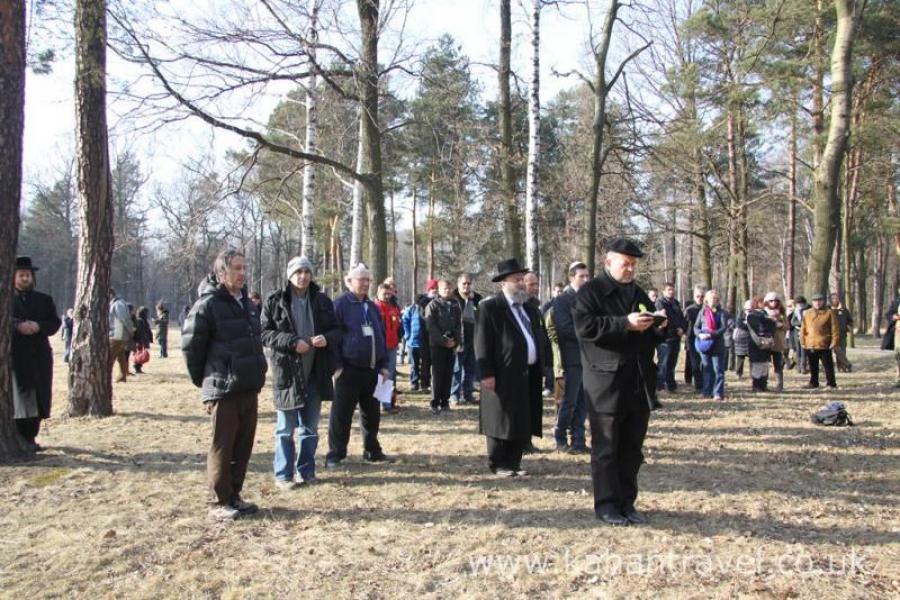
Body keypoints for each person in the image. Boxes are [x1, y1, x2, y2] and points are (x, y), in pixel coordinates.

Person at [572, 239, 666, 526]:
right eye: (625, 263)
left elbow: (649, 334)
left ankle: (628, 502)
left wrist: (660, 326)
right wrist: (624, 323)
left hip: (637, 381)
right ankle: (607, 505)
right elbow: (586, 328)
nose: (630, 269)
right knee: (607, 448)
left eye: (634, 264)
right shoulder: (591, 293)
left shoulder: (638, 293)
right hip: (605, 383)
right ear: (608, 262)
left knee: (632, 448)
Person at [182, 249, 268, 521]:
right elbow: (191, 346)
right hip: (224, 389)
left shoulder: (247, 304)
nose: (242, 274)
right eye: (237, 269)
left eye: (244, 268)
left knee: (243, 446)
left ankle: (235, 496)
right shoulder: (208, 305)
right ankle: (218, 501)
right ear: (221, 273)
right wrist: (207, 382)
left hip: (248, 387)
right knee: (223, 446)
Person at [261, 256, 340, 489]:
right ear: (289, 275)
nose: (303, 276)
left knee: (310, 428)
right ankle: (283, 475)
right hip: (287, 374)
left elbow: (337, 330)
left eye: (307, 271)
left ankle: (306, 470)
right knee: (285, 429)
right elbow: (264, 333)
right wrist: (292, 342)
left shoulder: (323, 301)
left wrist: (326, 338)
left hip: (316, 373)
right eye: (298, 272)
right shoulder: (276, 301)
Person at [475, 259, 547, 477]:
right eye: (517, 280)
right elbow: (481, 342)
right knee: (500, 417)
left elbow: (538, 338)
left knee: (521, 417)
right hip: (501, 373)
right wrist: (486, 372)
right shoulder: (490, 308)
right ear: (503, 283)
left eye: (523, 280)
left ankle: (514, 462)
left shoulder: (531, 309)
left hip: (527, 372)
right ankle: (499, 462)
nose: (522, 284)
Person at [325, 263, 392, 468]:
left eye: (367, 280)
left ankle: (372, 450)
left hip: (372, 370)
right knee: (341, 414)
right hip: (349, 370)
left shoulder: (372, 306)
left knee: (371, 413)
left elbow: (380, 336)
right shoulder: (340, 305)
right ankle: (336, 454)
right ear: (349, 281)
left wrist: (383, 364)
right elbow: (333, 338)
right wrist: (337, 366)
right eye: (360, 279)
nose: (365, 283)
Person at [11, 257, 61, 452]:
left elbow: (54, 323)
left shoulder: (44, 299)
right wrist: (17, 326)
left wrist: (39, 326)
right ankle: (18, 436)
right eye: (21, 275)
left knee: (39, 395)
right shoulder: (6, 298)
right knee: (19, 397)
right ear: (14, 277)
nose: (25, 278)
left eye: (28, 275)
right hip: (15, 355)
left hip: (39, 354)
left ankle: (31, 437)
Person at [545, 261, 590, 454]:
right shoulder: (562, 300)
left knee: (583, 402)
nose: (586, 280)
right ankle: (560, 437)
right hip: (572, 357)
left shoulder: (590, 298)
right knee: (570, 400)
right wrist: (591, 333)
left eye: (588, 276)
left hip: (589, 358)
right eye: (582, 276)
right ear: (572, 277)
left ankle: (578, 440)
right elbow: (564, 329)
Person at [524, 270, 552, 453]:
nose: (535, 288)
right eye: (531, 284)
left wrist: (547, 358)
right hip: (522, 366)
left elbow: (542, 334)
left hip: (536, 364)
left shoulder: (535, 308)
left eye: (536, 284)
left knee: (533, 404)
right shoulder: (519, 308)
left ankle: (528, 440)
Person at [424, 279, 462, 414]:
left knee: (448, 373)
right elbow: (431, 326)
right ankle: (435, 402)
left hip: (451, 345)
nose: (447, 291)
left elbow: (458, 324)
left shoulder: (455, 305)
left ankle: (445, 402)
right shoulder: (432, 305)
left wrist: (456, 341)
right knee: (438, 374)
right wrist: (443, 340)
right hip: (437, 345)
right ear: (439, 290)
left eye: (449, 288)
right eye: (444, 289)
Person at [451, 273, 482, 405]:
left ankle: (468, 393)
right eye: (464, 283)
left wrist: (473, 300)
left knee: (471, 369)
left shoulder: (477, 298)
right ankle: (454, 395)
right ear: (458, 284)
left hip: (473, 338)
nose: (466, 286)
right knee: (457, 368)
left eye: (469, 283)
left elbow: (482, 315)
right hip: (459, 338)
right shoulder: (453, 298)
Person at [693, 289, 729, 401]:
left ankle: (718, 393)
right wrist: (700, 335)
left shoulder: (721, 313)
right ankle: (706, 392)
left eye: (716, 298)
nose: (714, 300)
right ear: (707, 300)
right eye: (711, 298)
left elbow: (723, 328)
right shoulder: (702, 312)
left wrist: (711, 334)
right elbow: (696, 327)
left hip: (717, 345)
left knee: (718, 370)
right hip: (704, 344)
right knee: (707, 369)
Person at [800, 292, 839, 389]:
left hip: (824, 343)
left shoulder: (829, 313)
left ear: (823, 302)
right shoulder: (807, 313)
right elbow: (803, 328)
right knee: (813, 365)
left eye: (819, 301)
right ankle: (813, 382)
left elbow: (835, 329)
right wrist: (803, 341)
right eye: (815, 301)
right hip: (810, 343)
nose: (817, 303)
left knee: (828, 365)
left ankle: (831, 383)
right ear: (812, 302)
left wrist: (834, 342)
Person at [374, 282, 402, 413]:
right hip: (378, 347)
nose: (386, 296)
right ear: (378, 293)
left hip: (392, 346)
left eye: (389, 294)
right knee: (377, 375)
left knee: (388, 375)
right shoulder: (374, 307)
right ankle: (375, 404)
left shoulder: (393, 308)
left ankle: (386, 404)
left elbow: (398, 326)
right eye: (384, 294)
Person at [655, 282, 686, 392]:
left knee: (672, 363)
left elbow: (682, 318)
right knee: (664, 363)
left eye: (672, 289)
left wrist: (682, 328)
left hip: (676, 338)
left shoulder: (676, 303)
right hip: (665, 338)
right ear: (664, 291)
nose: (671, 291)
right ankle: (660, 386)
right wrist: (675, 329)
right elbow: (663, 319)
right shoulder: (660, 303)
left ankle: (671, 385)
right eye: (669, 290)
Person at [745, 296, 775, 392]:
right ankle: (756, 385)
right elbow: (760, 328)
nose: (764, 304)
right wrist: (769, 321)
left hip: (766, 343)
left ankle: (763, 385)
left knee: (765, 365)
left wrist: (770, 321)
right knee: (757, 365)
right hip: (756, 344)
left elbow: (772, 327)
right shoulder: (752, 315)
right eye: (762, 302)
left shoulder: (765, 314)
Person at [414, 279, 438, 393]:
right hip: (424, 335)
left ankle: (435, 383)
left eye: (436, 289)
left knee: (436, 361)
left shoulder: (440, 301)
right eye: (432, 288)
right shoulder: (423, 301)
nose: (434, 290)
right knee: (425, 361)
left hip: (437, 335)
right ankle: (424, 384)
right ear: (428, 289)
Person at [762, 292, 788, 392]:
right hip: (766, 341)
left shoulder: (782, 312)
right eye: (771, 301)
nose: (774, 302)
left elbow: (787, 326)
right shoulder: (763, 312)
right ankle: (764, 384)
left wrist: (779, 324)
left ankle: (779, 385)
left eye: (776, 300)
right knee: (765, 364)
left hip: (778, 342)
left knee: (778, 364)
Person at [683, 285, 707, 392]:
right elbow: (683, 324)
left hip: (706, 339)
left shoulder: (707, 309)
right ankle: (698, 386)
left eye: (702, 296)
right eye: (698, 296)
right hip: (692, 340)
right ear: (694, 296)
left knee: (705, 364)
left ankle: (705, 384)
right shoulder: (689, 310)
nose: (700, 299)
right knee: (695, 364)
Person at [108, 287, 135, 383]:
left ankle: (105, 377)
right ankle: (122, 376)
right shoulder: (116, 303)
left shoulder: (118, 304)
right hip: (118, 334)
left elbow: (124, 319)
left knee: (109, 356)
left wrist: (131, 331)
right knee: (121, 356)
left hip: (117, 334)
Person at [401, 301, 424, 391]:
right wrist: (407, 335)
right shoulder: (411, 309)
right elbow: (405, 321)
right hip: (413, 341)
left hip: (425, 342)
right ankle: (414, 382)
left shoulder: (427, 307)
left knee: (425, 364)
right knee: (414, 364)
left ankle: (424, 383)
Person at [830, 293, 854, 373]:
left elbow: (850, 320)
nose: (835, 300)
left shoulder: (844, 310)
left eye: (836, 298)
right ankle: (847, 364)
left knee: (842, 351)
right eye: (833, 298)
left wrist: (849, 326)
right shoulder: (828, 310)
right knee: (837, 350)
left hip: (843, 334)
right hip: (832, 335)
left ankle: (842, 368)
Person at [732, 299, 754, 378]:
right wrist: (748, 325)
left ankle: (753, 374)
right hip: (741, 340)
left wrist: (748, 325)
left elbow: (755, 325)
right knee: (740, 358)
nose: (749, 311)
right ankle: (738, 373)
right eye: (748, 309)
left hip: (752, 339)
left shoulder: (755, 314)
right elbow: (739, 324)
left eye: (751, 309)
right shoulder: (740, 314)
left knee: (752, 358)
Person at [790, 296, 809, 373]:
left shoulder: (807, 311)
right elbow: (792, 322)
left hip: (806, 332)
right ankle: (798, 366)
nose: (800, 305)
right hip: (797, 332)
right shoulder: (796, 312)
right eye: (798, 303)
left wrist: (804, 324)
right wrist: (800, 323)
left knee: (804, 350)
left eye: (801, 303)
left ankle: (803, 366)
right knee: (798, 350)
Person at [132, 306, 153, 374]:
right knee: (139, 354)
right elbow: (139, 331)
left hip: (143, 339)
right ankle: (137, 368)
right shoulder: (139, 320)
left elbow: (147, 330)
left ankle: (139, 368)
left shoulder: (143, 320)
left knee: (142, 354)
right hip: (140, 340)